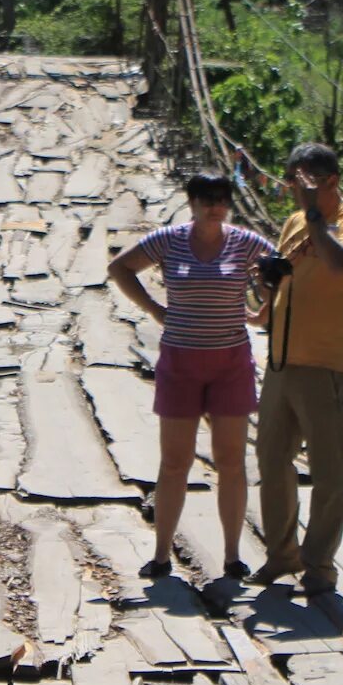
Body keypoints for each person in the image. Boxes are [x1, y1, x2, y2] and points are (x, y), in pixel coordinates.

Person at [108, 172, 275, 580]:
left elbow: (282, 269)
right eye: (206, 199)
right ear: (191, 202)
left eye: (221, 199)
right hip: (181, 362)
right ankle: (162, 555)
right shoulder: (169, 239)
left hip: (230, 364)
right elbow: (120, 268)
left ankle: (234, 556)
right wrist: (153, 309)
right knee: (175, 462)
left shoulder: (245, 243)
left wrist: (267, 310)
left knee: (232, 461)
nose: (215, 206)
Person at [252, 143, 343, 594]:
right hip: (282, 361)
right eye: (292, 183)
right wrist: (268, 279)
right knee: (271, 461)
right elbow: (290, 276)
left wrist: (314, 216)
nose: (294, 192)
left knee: (328, 472)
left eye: (303, 183)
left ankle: (319, 564)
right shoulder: (294, 222)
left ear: (329, 181)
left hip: (327, 364)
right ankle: (280, 555)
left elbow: (342, 263)